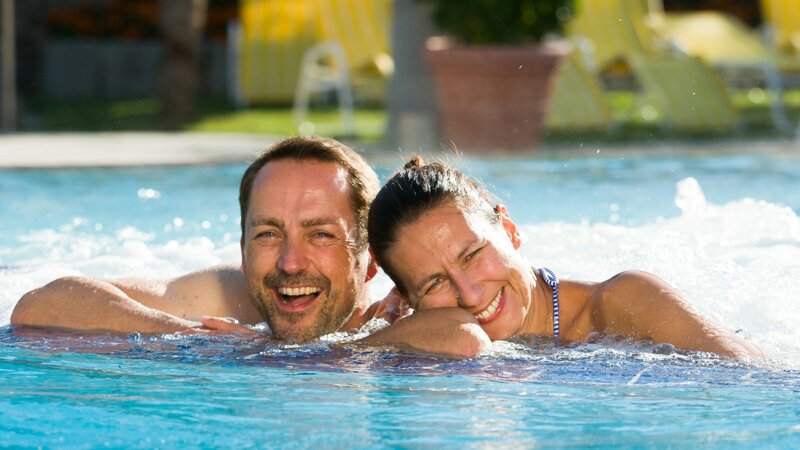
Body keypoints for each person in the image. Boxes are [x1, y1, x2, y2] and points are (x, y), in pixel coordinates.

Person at [10, 137, 485, 356]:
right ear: (241, 248)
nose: (290, 262)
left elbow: (462, 338)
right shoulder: (229, 301)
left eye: (321, 234)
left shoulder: (407, 301)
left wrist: (334, 353)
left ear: (369, 261)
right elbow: (41, 305)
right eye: (268, 234)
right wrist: (189, 337)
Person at [366, 156, 762, 360]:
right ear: (407, 298)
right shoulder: (425, 342)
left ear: (508, 230)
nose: (469, 295)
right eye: (434, 282)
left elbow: (759, 388)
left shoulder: (623, 303)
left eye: (472, 254)